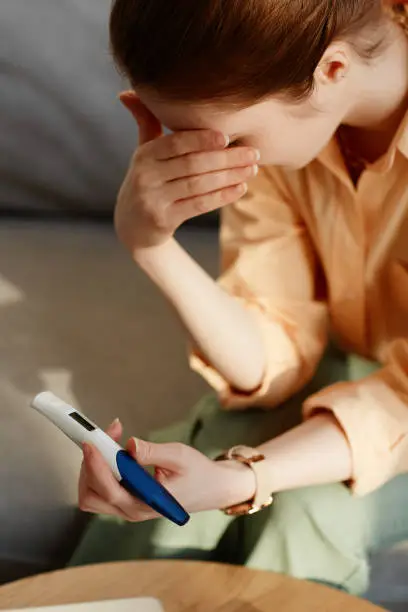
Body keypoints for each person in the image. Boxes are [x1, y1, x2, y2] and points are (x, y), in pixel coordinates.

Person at [70, 0, 408, 595]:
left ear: (331, 70)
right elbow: (274, 355)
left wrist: (244, 478)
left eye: (232, 135)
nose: (210, 152)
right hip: (354, 372)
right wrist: (151, 245)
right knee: (175, 481)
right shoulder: (296, 116)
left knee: (307, 516)